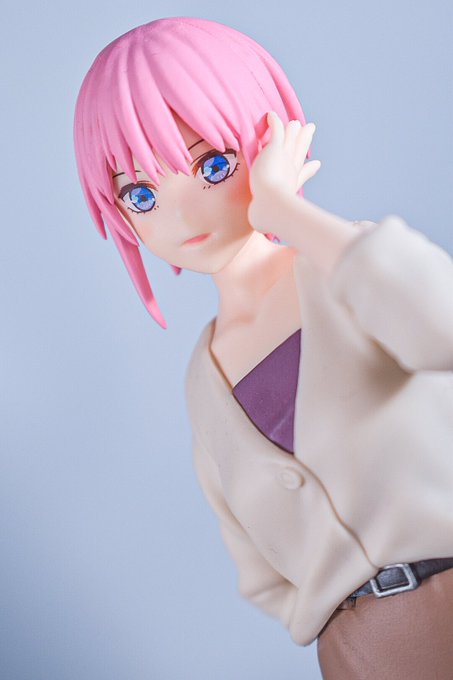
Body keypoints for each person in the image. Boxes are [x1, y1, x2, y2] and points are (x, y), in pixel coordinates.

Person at [74, 17, 453, 679]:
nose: (183, 214)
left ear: (270, 138)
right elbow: (257, 565)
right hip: (364, 652)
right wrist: (344, 630)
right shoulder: (204, 380)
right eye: (141, 194)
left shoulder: (344, 263)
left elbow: (441, 325)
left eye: (211, 165)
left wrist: (285, 209)